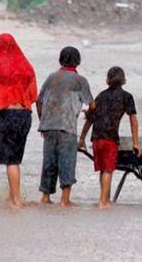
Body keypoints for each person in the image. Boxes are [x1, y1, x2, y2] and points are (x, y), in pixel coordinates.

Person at [37, 46, 95, 207]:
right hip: (67, 127)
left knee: (49, 161)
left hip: (48, 126)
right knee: (67, 161)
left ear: (60, 60)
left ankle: (45, 197)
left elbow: (39, 100)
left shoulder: (51, 77)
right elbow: (92, 104)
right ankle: (65, 199)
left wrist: (43, 121)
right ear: (78, 62)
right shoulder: (80, 80)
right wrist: (87, 114)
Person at [0, 33, 37, 209]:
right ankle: (15, 196)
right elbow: (33, 93)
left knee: (11, 161)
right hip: (25, 116)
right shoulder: (26, 66)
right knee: (17, 159)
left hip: (8, 115)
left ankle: (16, 201)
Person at [79, 66, 142, 209]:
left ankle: (104, 198)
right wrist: (136, 143)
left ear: (108, 80)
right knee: (108, 170)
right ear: (123, 81)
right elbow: (133, 120)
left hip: (96, 138)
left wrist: (82, 138)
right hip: (110, 138)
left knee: (102, 170)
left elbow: (90, 119)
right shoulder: (126, 97)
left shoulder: (101, 96)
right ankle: (103, 202)